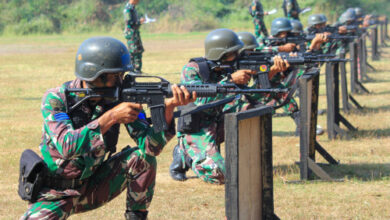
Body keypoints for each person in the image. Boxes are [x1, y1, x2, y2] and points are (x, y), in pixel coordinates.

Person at [19, 37, 195, 220]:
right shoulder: (57, 99)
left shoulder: (121, 98)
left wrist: (168, 109)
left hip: (93, 186)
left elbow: (151, 147)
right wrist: (111, 117)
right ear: (95, 75)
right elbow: (67, 146)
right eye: (116, 76)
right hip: (54, 193)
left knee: (142, 159)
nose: (121, 80)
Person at [169, 29, 289, 183]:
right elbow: (200, 101)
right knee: (221, 175)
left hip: (219, 120)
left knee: (255, 110)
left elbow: (252, 97)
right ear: (221, 55)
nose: (238, 56)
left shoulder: (232, 67)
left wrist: (271, 72)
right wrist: (230, 80)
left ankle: (250, 161)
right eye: (234, 53)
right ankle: (184, 152)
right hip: (197, 126)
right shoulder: (193, 70)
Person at [124, 0, 144, 73]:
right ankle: (132, 70)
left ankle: (138, 69)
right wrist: (139, 22)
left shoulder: (132, 8)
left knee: (138, 50)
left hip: (135, 32)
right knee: (133, 51)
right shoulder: (128, 9)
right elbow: (129, 22)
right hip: (131, 33)